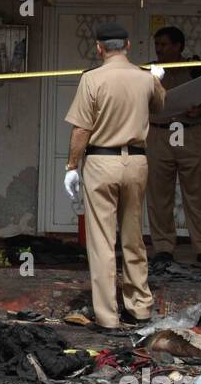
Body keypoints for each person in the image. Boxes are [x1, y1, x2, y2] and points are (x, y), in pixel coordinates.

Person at [63, 22, 167, 328]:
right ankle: (140, 307)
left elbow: (82, 128)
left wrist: (71, 166)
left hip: (101, 163)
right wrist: (157, 80)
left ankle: (108, 317)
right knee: (133, 237)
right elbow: (161, 107)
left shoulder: (92, 79)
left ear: (99, 48)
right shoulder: (144, 78)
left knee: (102, 242)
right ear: (129, 45)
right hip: (136, 162)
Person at [145, 26, 201, 267]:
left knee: (197, 194)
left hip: (189, 134)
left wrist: (198, 109)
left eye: (165, 45)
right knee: (159, 195)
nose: (160, 49)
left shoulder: (195, 69)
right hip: (158, 135)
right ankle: (164, 248)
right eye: (157, 45)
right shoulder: (150, 70)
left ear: (179, 46)